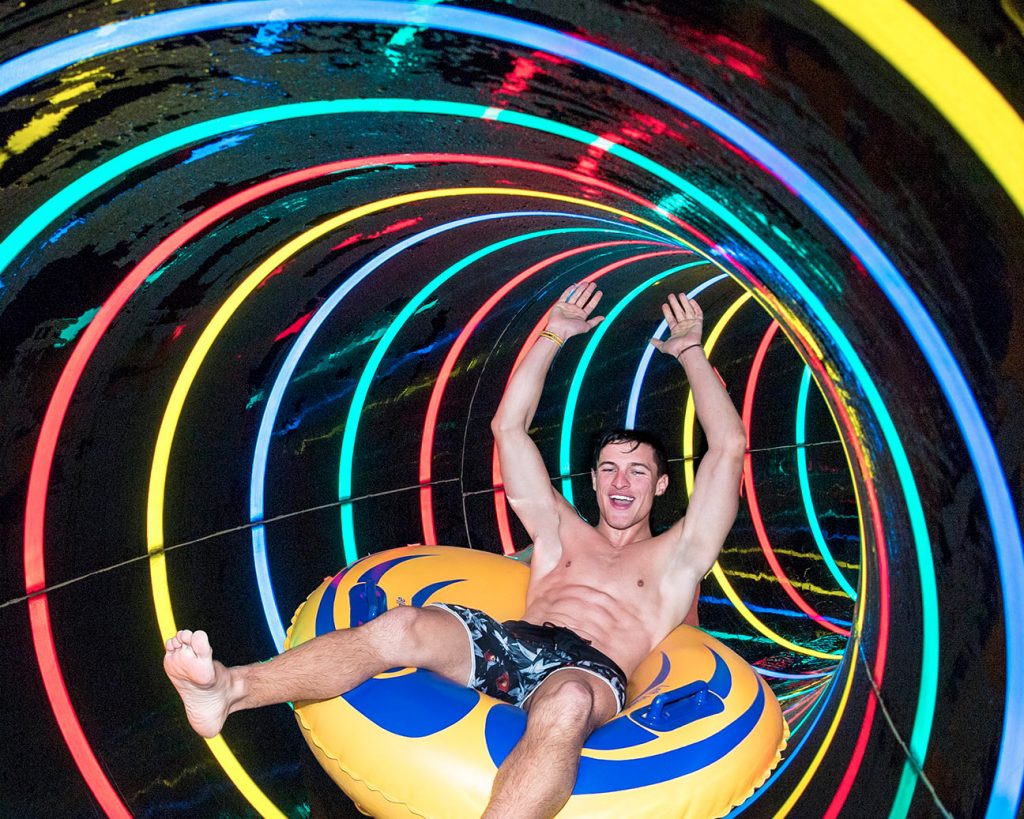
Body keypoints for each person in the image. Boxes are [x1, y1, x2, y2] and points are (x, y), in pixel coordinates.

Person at [163, 282, 746, 819]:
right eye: (610, 469)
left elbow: (728, 448)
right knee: (401, 626)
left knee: (566, 700)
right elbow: (508, 429)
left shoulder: (680, 556)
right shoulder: (559, 530)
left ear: (663, 485)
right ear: (591, 480)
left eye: (638, 472)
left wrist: (691, 351)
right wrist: (552, 334)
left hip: (589, 673)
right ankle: (229, 690)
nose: (621, 483)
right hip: (514, 640)